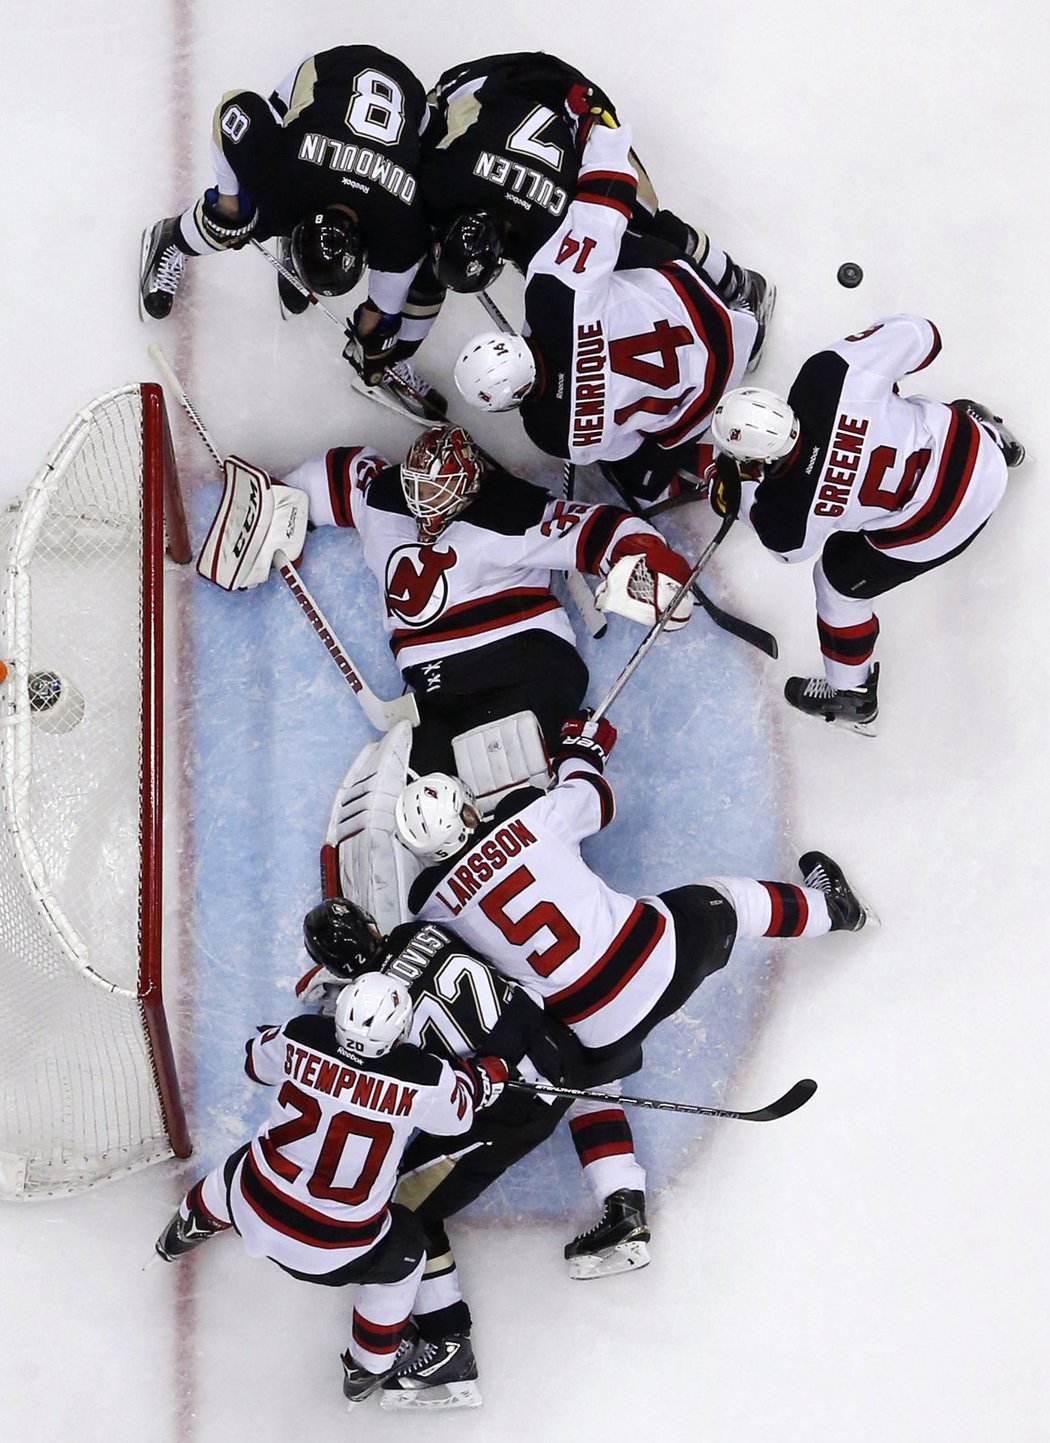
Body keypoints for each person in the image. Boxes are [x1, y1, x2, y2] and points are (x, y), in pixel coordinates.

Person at [295, 896, 650, 1404]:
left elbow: (417, 1098)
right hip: (559, 1050)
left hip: (513, 1105)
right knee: (591, 1090)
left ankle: (447, 1345)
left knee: (401, 1208)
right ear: (373, 928)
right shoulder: (419, 932)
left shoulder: (376, 1025)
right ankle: (624, 1205)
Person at [394, 712, 868, 1082]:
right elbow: (595, 797)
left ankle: (620, 1192)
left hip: (596, 1034)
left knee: (592, 1091)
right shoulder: (531, 820)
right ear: (468, 811)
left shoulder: (432, 906)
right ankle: (836, 909)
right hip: (661, 957)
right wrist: (580, 749)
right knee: (729, 901)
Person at [154, 971, 508, 1408]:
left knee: (244, 1167)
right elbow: (459, 1116)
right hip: (335, 1252)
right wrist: (483, 1078)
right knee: (408, 1254)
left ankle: (192, 1221)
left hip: (251, 1209)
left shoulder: (303, 1034)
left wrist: (281, 1045)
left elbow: (254, 1063)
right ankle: (369, 1365)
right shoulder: (423, 1075)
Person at [277, 423, 696, 773]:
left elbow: (598, 529)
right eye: (416, 490)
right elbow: (347, 473)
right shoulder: (385, 499)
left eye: (437, 495)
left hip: (521, 663)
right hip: (436, 688)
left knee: (510, 776)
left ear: (467, 489)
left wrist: (649, 566)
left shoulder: (510, 512)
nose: (424, 508)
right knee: (423, 791)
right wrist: (280, 503)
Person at [706, 315, 1026, 732]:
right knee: (940, 417)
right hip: (977, 455)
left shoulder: (786, 515)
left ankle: (852, 694)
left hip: (946, 524)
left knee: (836, 580)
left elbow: (786, 548)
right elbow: (923, 335)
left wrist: (729, 491)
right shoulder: (827, 375)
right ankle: (999, 443)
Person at [452, 116, 775, 502]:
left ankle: (705, 467)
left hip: (701, 397)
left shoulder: (550, 432)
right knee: (612, 244)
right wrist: (596, 131)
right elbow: (606, 203)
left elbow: (628, 445)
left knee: (635, 474)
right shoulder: (550, 296)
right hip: (715, 318)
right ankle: (737, 285)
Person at [138, 45, 445, 417]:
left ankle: (290, 245)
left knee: (406, 290)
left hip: (406, 96)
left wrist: (377, 335)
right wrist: (229, 201)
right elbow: (237, 107)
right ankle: (171, 238)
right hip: (326, 75)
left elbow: (383, 309)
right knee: (232, 221)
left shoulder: (400, 230)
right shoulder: (284, 184)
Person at [422, 51, 753, 305]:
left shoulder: (550, 232)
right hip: (510, 87)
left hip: (573, 99)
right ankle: (724, 278)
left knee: (641, 214)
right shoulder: (444, 175)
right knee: (438, 108)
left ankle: (738, 282)